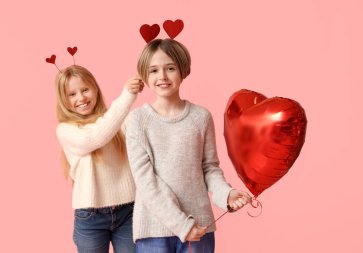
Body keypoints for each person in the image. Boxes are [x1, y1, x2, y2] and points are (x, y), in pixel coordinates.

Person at [126, 39, 252, 253]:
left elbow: (209, 168)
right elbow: (146, 181)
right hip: (154, 230)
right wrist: (182, 225)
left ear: (183, 70)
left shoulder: (200, 117)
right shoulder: (138, 120)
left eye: (170, 68)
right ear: (145, 76)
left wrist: (226, 194)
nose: (162, 77)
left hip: (200, 228)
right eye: (154, 70)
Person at [55, 64, 143, 253]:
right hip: (90, 217)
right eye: (72, 94)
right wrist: (127, 95)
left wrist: (151, 79)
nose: (81, 98)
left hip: (129, 211)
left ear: (95, 88)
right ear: (63, 100)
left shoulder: (116, 120)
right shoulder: (66, 130)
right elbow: (94, 137)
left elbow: (143, 120)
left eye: (85, 89)